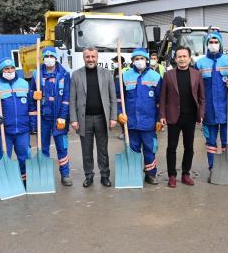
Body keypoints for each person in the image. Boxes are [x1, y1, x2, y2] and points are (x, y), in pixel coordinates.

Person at [69, 46, 117, 188]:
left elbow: (113, 98)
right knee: (86, 150)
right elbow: (72, 99)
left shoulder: (107, 74)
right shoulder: (76, 75)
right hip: (85, 119)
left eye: (93, 56)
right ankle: (89, 176)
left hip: (102, 118)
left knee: (103, 150)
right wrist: (74, 119)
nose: (90, 59)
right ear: (84, 58)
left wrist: (113, 117)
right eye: (87, 57)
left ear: (97, 57)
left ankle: (105, 175)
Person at [194, 31, 228, 176]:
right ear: (207, 45)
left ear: (220, 44)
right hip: (209, 110)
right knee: (211, 141)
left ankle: (227, 167)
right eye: (210, 42)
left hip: (226, 108)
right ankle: (213, 168)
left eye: (216, 42)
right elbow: (195, 87)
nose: (213, 44)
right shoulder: (200, 63)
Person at [159, 46, 205, 188]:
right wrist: (162, 115)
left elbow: (202, 97)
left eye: (185, 56)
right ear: (175, 59)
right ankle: (172, 175)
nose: (182, 59)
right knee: (171, 147)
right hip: (173, 117)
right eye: (179, 56)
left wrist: (201, 114)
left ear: (189, 58)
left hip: (190, 117)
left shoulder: (196, 74)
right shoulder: (169, 75)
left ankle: (186, 174)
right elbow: (162, 97)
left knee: (189, 147)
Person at [0, 58, 34, 184]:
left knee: (24, 157)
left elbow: (31, 106)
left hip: (23, 129)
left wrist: (33, 124)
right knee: (3, 157)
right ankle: (5, 183)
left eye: (12, 68)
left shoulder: (24, 84)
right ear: (1, 71)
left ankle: (25, 181)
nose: (10, 70)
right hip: (3, 130)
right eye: (6, 69)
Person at [117, 48, 162, 185]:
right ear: (132, 61)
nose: (139, 61)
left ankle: (150, 174)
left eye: (141, 58)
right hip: (131, 122)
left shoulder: (155, 77)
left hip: (149, 122)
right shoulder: (125, 76)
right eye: (136, 59)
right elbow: (119, 99)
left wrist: (159, 119)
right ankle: (134, 173)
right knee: (133, 148)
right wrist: (119, 113)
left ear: (146, 60)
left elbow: (160, 101)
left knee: (150, 149)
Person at [30, 47, 73, 186]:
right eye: (46, 56)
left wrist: (63, 116)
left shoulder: (64, 74)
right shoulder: (36, 74)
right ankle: (44, 174)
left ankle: (65, 174)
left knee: (62, 147)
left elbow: (67, 97)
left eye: (51, 56)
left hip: (58, 118)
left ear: (56, 58)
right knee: (43, 147)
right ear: (43, 58)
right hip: (43, 118)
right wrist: (33, 95)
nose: (49, 58)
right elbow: (31, 99)